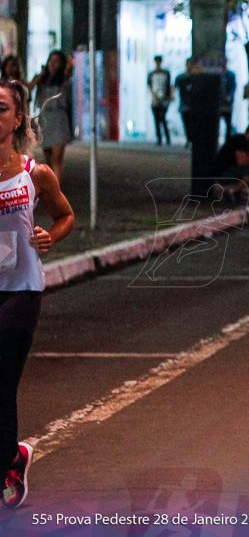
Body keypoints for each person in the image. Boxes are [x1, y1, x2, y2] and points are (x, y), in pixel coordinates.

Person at [0, 78, 74, 508]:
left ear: (18, 119)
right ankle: (14, 455)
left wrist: (51, 236)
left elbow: (65, 216)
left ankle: (6, 465)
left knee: (2, 381)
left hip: (21, 290)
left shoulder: (35, 174)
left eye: (1, 109)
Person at [27, 51, 73, 182]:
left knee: (56, 159)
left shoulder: (63, 78)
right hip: (45, 119)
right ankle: (51, 186)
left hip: (58, 118)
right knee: (48, 158)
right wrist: (41, 75)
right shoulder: (41, 78)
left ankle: (56, 190)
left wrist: (66, 60)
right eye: (51, 60)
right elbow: (29, 88)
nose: (53, 63)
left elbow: (70, 66)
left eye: (57, 61)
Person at [213, 121, 249, 202]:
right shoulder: (240, 140)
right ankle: (233, 192)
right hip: (224, 172)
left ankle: (238, 191)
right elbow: (242, 161)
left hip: (232, 170)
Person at [148, 56, 173, 146]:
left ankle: (167, 137)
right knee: (157, 119)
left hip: (164, 99)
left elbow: (169, 85)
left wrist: (170, 97)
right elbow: (150, 85)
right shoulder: (151, 74)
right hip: (155, 99)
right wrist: (153, 96)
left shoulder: (166, 73)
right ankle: (159, 138)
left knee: (162, 117)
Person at [175, 59, 196, 148]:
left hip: (194, 105)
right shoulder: (181, 77)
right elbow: (174, 87)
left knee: (193, 124)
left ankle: (193, 140)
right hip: (184, 104)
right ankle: (189, 139)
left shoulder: (196, 78)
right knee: (187, 123)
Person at [220, 69, 236, 138]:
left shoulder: (230, 75)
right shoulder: (218, 75)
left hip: (227, 104)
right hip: (219, 104)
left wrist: (229, 96)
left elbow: (233, 87)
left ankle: (228, 140)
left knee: (228, 123)